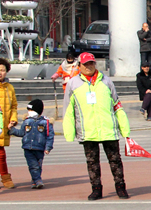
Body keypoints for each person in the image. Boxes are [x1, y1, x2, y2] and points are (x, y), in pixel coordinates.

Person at [63, 53, 131, 200]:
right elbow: (68, 109)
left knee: (115, 160)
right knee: (92, 162)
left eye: (91, 63)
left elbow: (117, 105)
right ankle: (96, 189)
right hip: (88, 131)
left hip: (108, 129)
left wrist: (124, 127)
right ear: (79, 66)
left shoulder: (106, 81)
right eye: (86, 64)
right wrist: (69, 131)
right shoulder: (73, 83)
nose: (89, 67)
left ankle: (120, 187)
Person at [7, 99, 53, 189]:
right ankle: (38, 180)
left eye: (30, 110)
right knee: (33, 165)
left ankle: (34, 180)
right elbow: (21, 133)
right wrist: (11, 130)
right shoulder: (27, 121)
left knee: (38, 166)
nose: (29, 112)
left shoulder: (45, 122)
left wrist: (48, 147)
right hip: (28, 148)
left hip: (39, 148)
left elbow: (49, 136)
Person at [0, 58, 17, 189]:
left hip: (3, 126)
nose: (0, 72)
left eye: (2, 70)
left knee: (1, 154)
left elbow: (14, 106)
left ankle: (5, 178)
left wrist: (13, 119)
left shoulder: (9, 88)